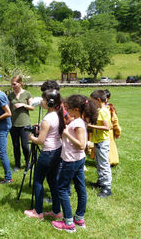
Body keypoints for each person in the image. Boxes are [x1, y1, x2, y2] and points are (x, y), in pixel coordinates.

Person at [51, 95, 98, 232]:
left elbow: (81, 145)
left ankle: (69, 223)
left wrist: (66, 134)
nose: (66, 110)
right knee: (80, 187)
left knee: (61, 188)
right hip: (78, 159)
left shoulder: (78, 123)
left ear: (76, 109)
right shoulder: (79, 120)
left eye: (68, 108)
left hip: (71, 160)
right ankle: (79, 218)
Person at [24, 89, 64, 220]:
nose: (41, 101)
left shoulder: (47, 119)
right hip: (58, 150)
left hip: (48, 152)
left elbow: (41, 141)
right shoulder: (58, 114)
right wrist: (41, 129)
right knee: (53, 181)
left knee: (38, 181)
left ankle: (38, 212)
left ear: (50, 102)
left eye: (43, 99)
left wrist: (31, 137)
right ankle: (56, 211)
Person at [88, 90, 112, 198]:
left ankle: (107, 187)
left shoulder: (103, 111)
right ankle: (100, 182)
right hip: (98, 141)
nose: (91, 103)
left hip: (102, 141)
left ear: (98, 100)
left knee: (104, 164)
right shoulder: (100, 110)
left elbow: (107, 127)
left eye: (93, 101)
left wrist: (91, 126)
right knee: (98, 163)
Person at [8, 75, 34, 172]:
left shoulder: (27, 94)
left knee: (25, 145)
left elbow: (32, 107)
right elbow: (8, 109)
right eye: (12, 84)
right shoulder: (10, 95)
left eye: (14, 84)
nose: (13, 86)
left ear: (20, 83)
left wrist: (23, 105)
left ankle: (28, 163)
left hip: (25, 123)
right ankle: (17, 165)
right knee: (16, 145)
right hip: (13, 124)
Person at [104, 89, 121, 166]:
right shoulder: (97, 108)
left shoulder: (110, 108)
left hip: (109, 131)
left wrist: (117, 131)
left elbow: (114, 120)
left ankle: (112, 161)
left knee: (110, 146)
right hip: (101, 130)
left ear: (108, 98)